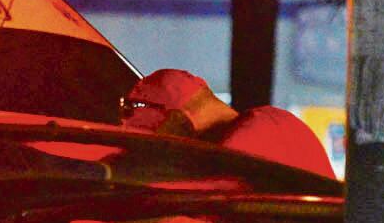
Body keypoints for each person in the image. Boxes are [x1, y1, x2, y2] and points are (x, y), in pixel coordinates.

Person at [120, 67, 337, 179]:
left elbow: (193, 212)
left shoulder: (247, 140)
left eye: (157, 141)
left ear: (178, 119)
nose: (159, 153)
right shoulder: (270, 121)